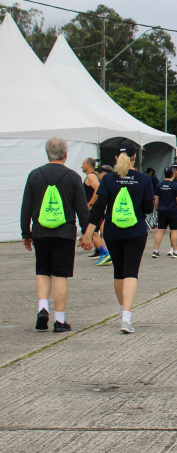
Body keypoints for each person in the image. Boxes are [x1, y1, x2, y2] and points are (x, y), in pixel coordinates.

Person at [80, 144, 154, 334]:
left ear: (115, 158)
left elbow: (99, 208)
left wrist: (88, 233)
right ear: (134, 157)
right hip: (136, 231)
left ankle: (121, 312)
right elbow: (148, 209)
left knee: (119, 272)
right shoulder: (144, 179)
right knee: (131, 272)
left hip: (113, 231)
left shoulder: (108, 179)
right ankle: (127, 318)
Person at [21, 137, 90, 333]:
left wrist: (26, 233)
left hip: (41, 232)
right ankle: (60, 321)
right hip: (64, 233)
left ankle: (43, 308)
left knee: (42, 271)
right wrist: (87, 234)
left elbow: (26, 207)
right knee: (60, 275)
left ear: (47, 153)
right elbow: (82, 209)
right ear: (66, 154)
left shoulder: (34, 175)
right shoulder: (73, 177)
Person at [151, 167, 177, 258]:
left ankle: (155, 251)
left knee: (160, 231)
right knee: (174, 231)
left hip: (162, 211)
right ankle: (175, 251)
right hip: (172, 211)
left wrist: (157, 209)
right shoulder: (175, 186)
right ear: (173, 174)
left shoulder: (159, 185)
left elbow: (156, 198)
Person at [81, 157, 108, 264]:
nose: (81, 166)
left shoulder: (91, 176)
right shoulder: (94, 175)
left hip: (93, 210)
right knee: (99, 231)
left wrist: (90, 204)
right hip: (97, 209)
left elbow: (98, 188)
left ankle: (105, 253)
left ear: (88, 165)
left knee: (93, 233)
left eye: (83, 164)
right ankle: (105, 253)